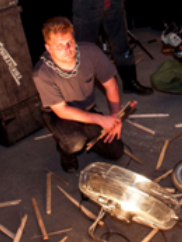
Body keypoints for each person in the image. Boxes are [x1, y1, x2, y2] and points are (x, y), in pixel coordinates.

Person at [33, 17, 124, 173]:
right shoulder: (41, 73)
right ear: (48, 48)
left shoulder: (91, 51)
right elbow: (62, 110)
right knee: (75, 142)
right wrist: (100, 119)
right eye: (59, 46)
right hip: (59, 115)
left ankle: (88, 133)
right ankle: (65, 150)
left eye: (70, 42)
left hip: (87, 108)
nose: (67, 49)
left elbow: (111, 84)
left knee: (116, 152)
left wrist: (116, 116)